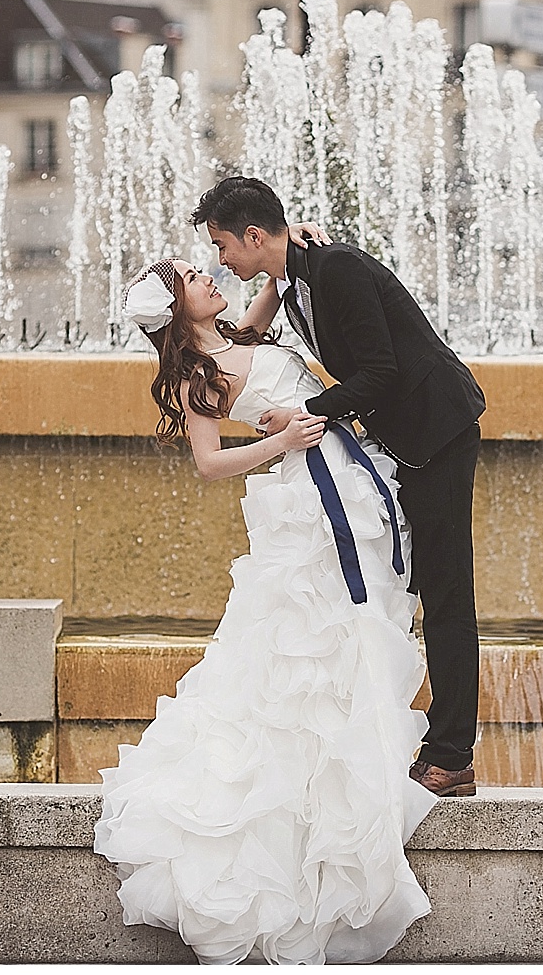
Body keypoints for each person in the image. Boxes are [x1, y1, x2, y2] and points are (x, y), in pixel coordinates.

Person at [92, 245, 438, 965]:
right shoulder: (200, 379)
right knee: (306, 637)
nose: (208, 275)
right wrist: (280, 438)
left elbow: (278, 281)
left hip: (344, 474)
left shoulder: (246, 332)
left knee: (355, 622)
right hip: (301, 502)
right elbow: (210, 462)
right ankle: (314, 783)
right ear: (179, 311)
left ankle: (358, 742)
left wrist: (296, 245)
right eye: (192, 279)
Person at [192, 177, 486, 798]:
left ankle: (453, 753)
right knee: (410, 583)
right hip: (401, 441)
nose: (220, 261)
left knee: (446, 586)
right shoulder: (297, 277)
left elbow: (381, 371)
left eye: (222, 246)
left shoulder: (337, 269)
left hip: (437, 429)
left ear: (252, 236)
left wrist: (306, 414)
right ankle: (406, 736)